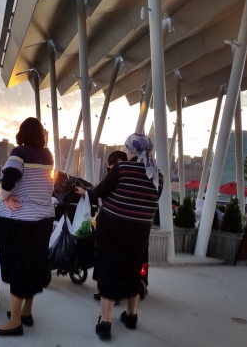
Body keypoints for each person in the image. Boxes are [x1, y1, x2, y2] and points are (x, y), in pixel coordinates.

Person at [75, 133, 163, 341]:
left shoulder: (122, 168)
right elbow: (153, 201)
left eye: (127, 148)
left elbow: (100, 192)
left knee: (109, 270)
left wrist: (85, 192)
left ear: (131, 150)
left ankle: (105, 322)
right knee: (133, 270)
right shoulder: (157, 175)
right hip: (140, 232)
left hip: (114, 229)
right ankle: (131, 316)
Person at [0, 117, 54, 337]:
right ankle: (26, 311)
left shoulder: (20, 152)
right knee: (32, 265)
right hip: (43, 218)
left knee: (17, 267)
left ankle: (15, 322)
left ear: (22, 133)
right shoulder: (48, 155)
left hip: (19, 219)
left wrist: (4, 198)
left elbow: (9, 178)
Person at [93, 150, 127, 304]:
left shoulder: (121, 180)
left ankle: (112, 294)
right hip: (106, 223)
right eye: (112, 166)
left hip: (116, 225)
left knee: (114, 261)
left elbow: (99, 192)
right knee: (105, 260)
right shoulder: (112, 179)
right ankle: (106, 291)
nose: (114, 170)